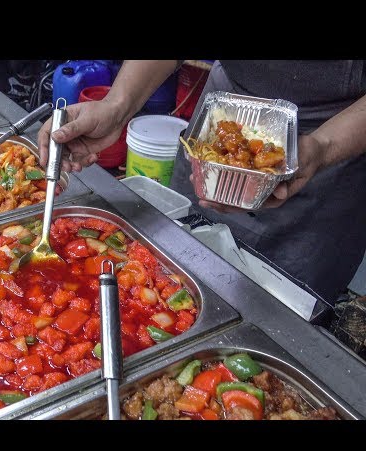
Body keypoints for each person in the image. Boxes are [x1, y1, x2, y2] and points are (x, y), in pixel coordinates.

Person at [38, 60, 366, 302]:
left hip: (334, 146)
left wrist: (322, 147)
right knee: (167, 273)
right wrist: (117, 105)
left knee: (281, 306)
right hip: (216, 125)